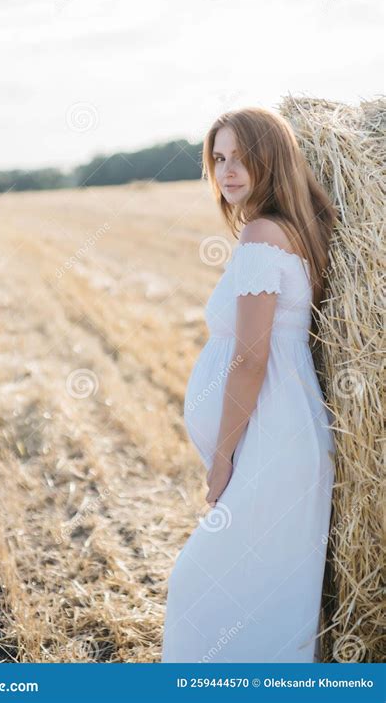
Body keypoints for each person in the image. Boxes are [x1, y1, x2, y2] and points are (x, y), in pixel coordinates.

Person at [161, 107, 338, 663]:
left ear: (272, 159)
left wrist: (222, 457)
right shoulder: (294, 229)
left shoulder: (262, 235)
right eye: (219, 158)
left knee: (200, 593)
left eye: (242, 157)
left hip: (267, 438)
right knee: (268, 596)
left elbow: (250, 359)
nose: (228, 170)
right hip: (285, 434)